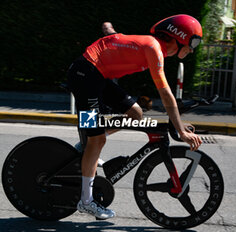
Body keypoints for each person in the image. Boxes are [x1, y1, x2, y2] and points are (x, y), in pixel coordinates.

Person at [67, 14, 203, 220]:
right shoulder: (154, 48)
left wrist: (109, 29)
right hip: (85, 76)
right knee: (97, 140)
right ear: (179, 37)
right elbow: (165, 94)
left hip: (97, 77)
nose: (192, 49)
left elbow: (117, 41)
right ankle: (86, 201)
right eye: (192, 42)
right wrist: (181, 131)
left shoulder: (151, 46)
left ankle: (85, 143)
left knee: (135, 113)